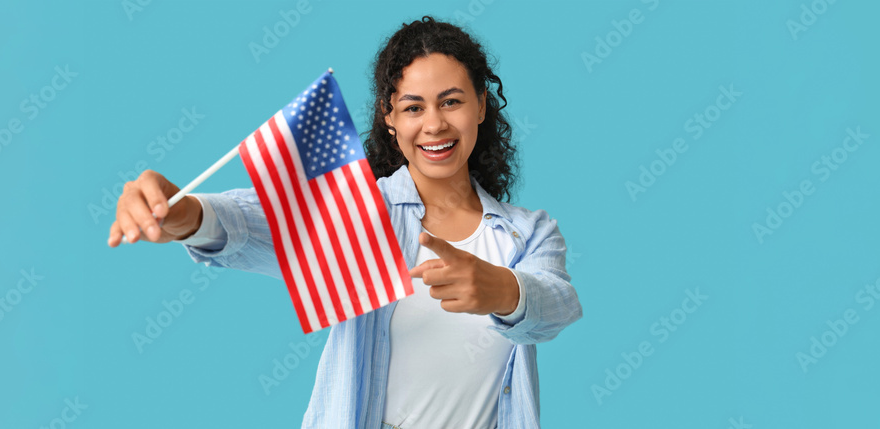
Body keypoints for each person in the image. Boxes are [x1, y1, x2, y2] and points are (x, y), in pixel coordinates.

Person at [107, 16, 582, 429]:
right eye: (414, 107)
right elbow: (258, 223)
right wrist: (184, 212)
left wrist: (500, 289)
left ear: (481, 104)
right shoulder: (359, 213)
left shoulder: (528, 232)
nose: (434, 124)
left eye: (452, 101)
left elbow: (557, 305)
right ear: (390, 117)